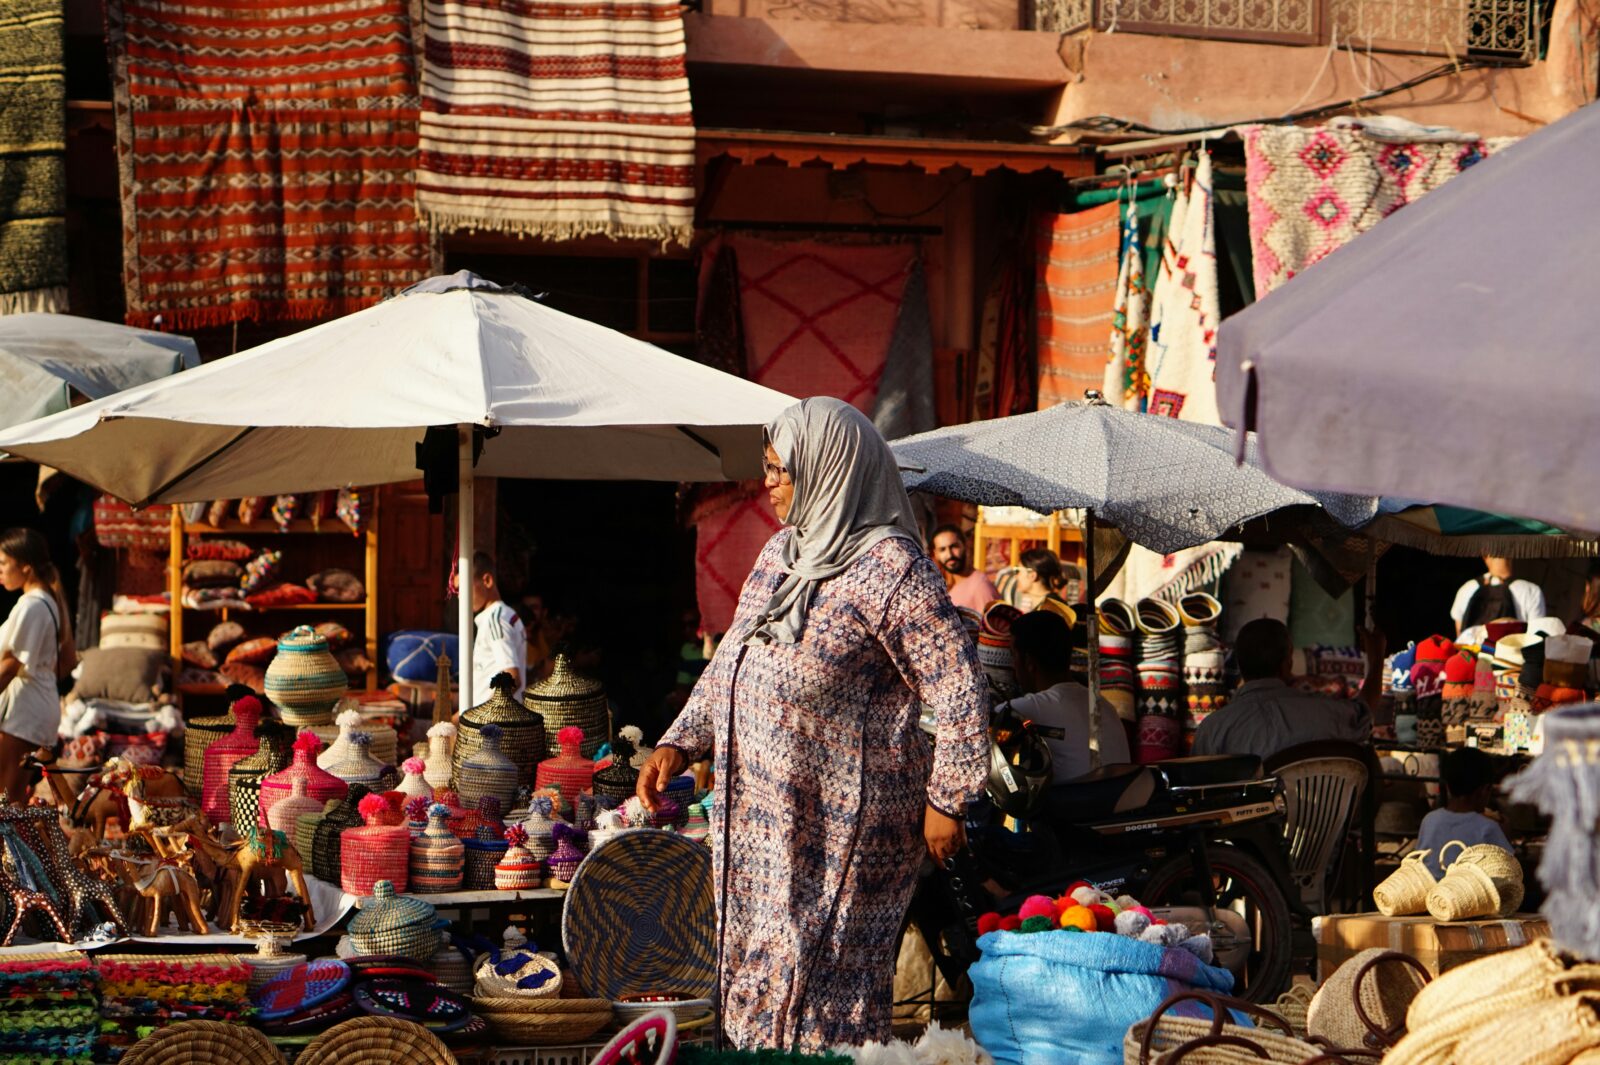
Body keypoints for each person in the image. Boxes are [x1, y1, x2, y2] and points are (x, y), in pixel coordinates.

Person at [636, 397, 988, 1052]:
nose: (768, 480)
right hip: (762, 821)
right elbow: (734, 658)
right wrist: (679, 741)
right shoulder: (780, 554)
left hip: (845, 828)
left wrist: (949, 799)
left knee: (823, 988)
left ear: (832, 468)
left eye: (780, 467)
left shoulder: (895, 571)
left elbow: (960, 685)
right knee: (756, 973)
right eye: (766, 466)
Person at [1192, 618, 1383, 761]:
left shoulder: (1212, 730)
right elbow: (1366, 709)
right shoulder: (1327, 713)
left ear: (1240, 666)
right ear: (1287, 664)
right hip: (1320, 815)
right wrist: (1377, 658)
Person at [1006, 610, 1129, 781]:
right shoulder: (1104, 706)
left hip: (1082, 805)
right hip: (1115, 801)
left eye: (1013, 655)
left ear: (1028, 662)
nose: (1013, 666)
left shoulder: (1031, 708)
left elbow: (980, 722)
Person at [0, 529, 74, 804]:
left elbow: (8, 668)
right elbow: (68, 662)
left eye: (4, 563)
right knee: (12, 800)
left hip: (24, 713)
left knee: (6, 802)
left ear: (26, 566)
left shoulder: (32, 606)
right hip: (35, 707)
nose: (0, 570)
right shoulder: (47, 602)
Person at [1415, 747, 1513, 879]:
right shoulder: (1487, 827)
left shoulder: (1429, 820)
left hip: (1431, 892)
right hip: (1467, 896)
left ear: (1448, 786)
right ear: (1484, 790)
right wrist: (1506, 834)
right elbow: (1508, 870)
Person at [468, 551, 526, 707]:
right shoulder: (502, 615)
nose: (461, 596)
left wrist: (480, 715)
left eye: (464, 588)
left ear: (487, 580)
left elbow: (512, 677)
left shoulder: (496, 618)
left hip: (494, 726)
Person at [1451, 556, 1546, 637]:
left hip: (1473, 656)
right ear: (1513, 554)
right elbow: (1536, 637)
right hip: (1510, 657)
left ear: (1484, 555)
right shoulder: (1531, 590)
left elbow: (1460, 634)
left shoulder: (1466, 589)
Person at [930, 524, 999, 612]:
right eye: (942, 549)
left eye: (954, 546)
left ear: (965, 545)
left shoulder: (981, 587)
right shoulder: (949, 585)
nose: (949, 555)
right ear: (936, 554)